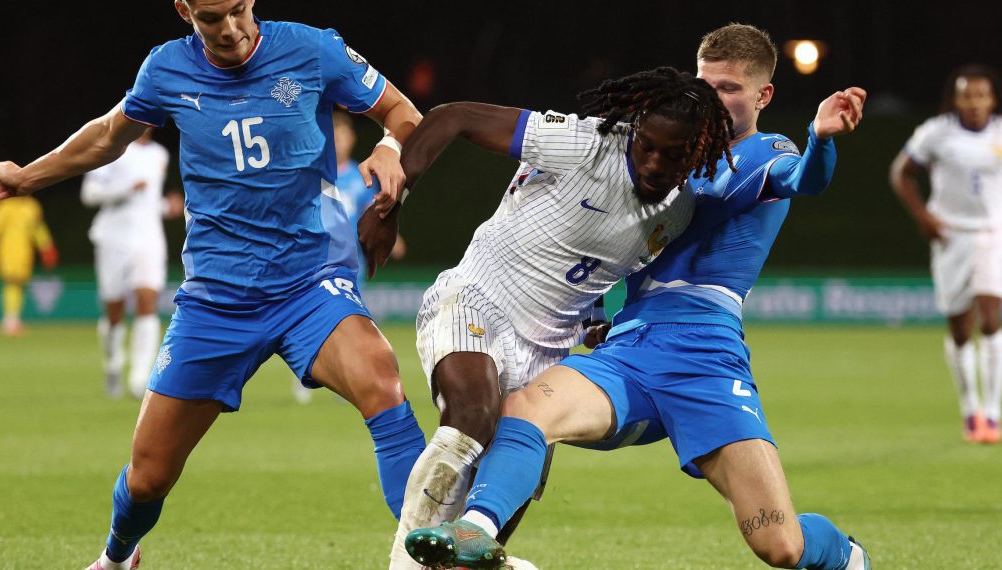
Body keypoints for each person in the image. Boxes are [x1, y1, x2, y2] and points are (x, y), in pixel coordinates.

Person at [403, 23, 871, 570]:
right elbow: (604, 250)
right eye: (706, 85)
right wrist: (596, 315)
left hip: (706, 357)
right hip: (631, 347)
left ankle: (848, 557)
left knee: (780, 545)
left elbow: (803, 179)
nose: (713, 101)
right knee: (524, 407)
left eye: (729, 90)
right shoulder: (669, 154)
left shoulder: (766, 151)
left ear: (764, 95)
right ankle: (475, 531)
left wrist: (823, 138)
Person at [0, 1, 428, 569]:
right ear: (184, 11)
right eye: (211, 17)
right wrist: (28, 176)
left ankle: (427, 553)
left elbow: (404, 112)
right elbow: (108, 136)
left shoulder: (314, 50)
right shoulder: (167, 68)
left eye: (238, 10)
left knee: (382, 380)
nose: (231, 29)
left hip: (309, 284)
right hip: (216, 301)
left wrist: (390, 147)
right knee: (148, 478)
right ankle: (117, 558)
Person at [382, 67, 735, 569]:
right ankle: (403, 562)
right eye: (646, 146)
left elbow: (604, 267)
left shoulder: (678, 213)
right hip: (478, 297)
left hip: (548, 350)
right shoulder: (583, 144)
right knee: (471, 418)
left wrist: (597, 315)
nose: (654, 162)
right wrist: (393, 204)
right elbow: (453, 116)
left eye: (673, 154)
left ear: (697, 151)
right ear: (633, 131)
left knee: (502, 496)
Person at [890, 63, 1002, 445]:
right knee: (960, 328)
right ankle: (970, 408)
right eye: (966, 95)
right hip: (951, 236)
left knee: (990, 316)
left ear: (992, 98)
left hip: (994, 232)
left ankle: (992, 413)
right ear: (955, 98)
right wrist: (923, 216)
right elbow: (901, 173)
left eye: (980, 95)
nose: (973, 102)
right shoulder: (936, 133)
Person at [292, 109, 407, 404]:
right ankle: (306, 378)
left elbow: (374, 213)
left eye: (343, 135)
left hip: (348, 263)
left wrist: (391, 238)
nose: (338, 141)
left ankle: (353, 379)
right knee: (309, 318)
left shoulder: (361, 176)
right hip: (312, 260)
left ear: (351, 139)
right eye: (334, 136)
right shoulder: (313, 175)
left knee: (351, 320)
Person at [81, 130, 183, 399]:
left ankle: (141, 377)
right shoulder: (112, 150)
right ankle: (113, 364)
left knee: (147, 300)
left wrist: (166, 207)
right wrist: (125, 190)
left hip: (149, 238)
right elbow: (89, 194)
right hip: (113, 237)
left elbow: (148, 202)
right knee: (114, 309)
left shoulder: (159, 154)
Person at [0, 195, 58, 335]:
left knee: (19, 284)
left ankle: (13, 319)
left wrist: (46, 246)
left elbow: (38, 228)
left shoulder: (32, 206)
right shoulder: (4, 206)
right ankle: (10, 321)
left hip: (25, 252)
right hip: (7, 250)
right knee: (11, 283)